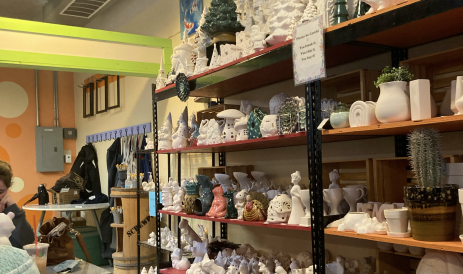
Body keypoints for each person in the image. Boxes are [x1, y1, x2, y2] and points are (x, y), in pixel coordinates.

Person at [0, 160, 35, 248]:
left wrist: (13, 208)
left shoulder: (8, 210)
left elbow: (27, 244)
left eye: (0, 192)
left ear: (7, 190)